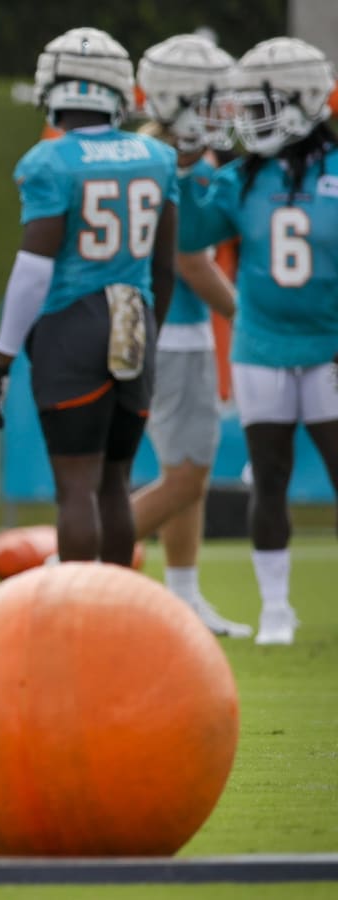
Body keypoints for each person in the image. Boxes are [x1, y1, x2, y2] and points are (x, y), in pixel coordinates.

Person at [0, 27, 179, 565]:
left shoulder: (49, 161)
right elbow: (163, 267)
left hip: (73, 325)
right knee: (115, 484)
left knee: (75, 488)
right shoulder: (156, 158)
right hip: (134, 319)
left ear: (53, 88)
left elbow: (32, 271)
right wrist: (151, 330)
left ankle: (80, 621)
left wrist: (2, 360)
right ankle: (119, 614)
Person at [180, 37, 338, 645]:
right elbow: (192, 232)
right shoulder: (243, 177)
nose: (250, 118)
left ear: (304, 101)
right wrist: (191, 161)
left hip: (329, 348)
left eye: (263, 103)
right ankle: (275, 607)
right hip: (263, 345)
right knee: (268, 476)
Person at [132, 34, 251, 637]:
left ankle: (182, 595)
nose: (223, 113)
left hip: (165, 331)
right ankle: (63, 563)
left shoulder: (161, 153)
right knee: (185, 477)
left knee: (190, 477)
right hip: (171, 332)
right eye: (212, 100)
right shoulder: (163, 161)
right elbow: (191, 262)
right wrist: (247, 317)